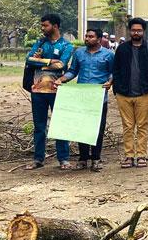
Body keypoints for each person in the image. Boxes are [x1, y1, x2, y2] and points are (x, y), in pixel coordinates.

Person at [55, 28, 114, 172]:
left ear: (99, 39)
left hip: (99, 97)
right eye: (86, 36)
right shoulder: (79, 52)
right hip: (82, 96)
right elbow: (73, 71)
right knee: (82, 128)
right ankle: (83, 159)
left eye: (91, 36)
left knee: (97, 129)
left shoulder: (109, 54)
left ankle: (96, 158)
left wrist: (110, 82)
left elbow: (113, 72)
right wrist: (62, 79)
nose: (87, 39)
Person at [24, 14, 75, 170]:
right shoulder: (40, 43)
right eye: (42, 25)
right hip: (37, 90)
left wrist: (40, 62)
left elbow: (61, 65)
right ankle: (38, 158)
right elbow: (28, 59)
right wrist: (49, 61)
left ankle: (63, 159)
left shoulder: (67, 46)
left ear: (55, 26)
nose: (42, 28)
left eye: (45, 25)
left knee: (60, 124)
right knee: (39, 126)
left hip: (57, 90)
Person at [113, 17, 148, 168]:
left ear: (143, 31)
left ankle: (141, 155)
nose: (136, 32)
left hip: (144, 93)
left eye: (139, 30)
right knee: (127, 126)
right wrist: (117, 90)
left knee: (142, 125)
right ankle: (128, 156)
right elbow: (116, 70)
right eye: (133, 30)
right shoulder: (122, 48)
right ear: (129, 31)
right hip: (124, 94)